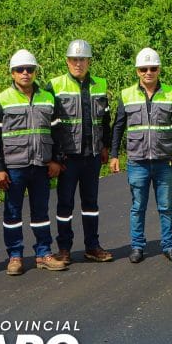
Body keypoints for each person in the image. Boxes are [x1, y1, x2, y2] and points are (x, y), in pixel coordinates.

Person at [0, 50, 67, 276]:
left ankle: (44, 254)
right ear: (12, 73)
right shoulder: (1, 100)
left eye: (29, 69)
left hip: (41, 165)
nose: (25, 73)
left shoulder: (48, 98)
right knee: (12, 214)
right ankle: (15, 256)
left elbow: (58, 133)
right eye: (20, 70)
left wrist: (56, 160)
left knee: (41, 212)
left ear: (35, 72)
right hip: (14, 167)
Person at [109, 47, 172, 264]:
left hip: (164, 160)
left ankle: (169, 246)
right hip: (137, 161)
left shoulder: (171, 93)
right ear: (137, 71)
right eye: (144, 69)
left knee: (165, 207)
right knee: (138, 207)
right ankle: (137, 246)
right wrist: (114, 154)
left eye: (153, 68)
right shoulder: (126, 95)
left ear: (159, 69)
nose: (148, 72)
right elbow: (118, 126)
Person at [46, 39, 112, 264]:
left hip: (92, 155)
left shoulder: (100, 84)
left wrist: (105, 146)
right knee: (65, 204)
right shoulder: (54, 86)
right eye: (74, 59)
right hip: (67, 158)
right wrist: (54, 157)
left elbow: (106, 120)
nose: (78, 63)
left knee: (90, 204)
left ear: (89, 61)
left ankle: (92, 246)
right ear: (67, 61)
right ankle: (64, 248)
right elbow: (48, 125)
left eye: (82, 59)